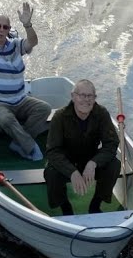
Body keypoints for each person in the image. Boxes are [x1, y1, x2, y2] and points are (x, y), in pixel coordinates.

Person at [0, 1, 52, 162]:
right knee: (5, 119)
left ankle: (18, 143)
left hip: (19, 100)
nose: (1, 30)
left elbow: (32, 42)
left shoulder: (15, 45)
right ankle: (30, 147)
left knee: (44, 109)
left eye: (5, 27)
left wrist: (27, 25)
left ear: (8, 30)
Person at [44, 79, 121, 215]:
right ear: (73, 97)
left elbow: (111, 143)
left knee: (114, 165)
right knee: (51, 172)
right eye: (81, 95)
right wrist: (72, 171)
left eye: (90, 96)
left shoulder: (101, 113)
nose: (86, 100)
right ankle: (65, 208)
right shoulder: (60, 116)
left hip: (91, 159)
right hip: (67, 161)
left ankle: (95, 205)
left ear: (95, 98)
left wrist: (93, 163)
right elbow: (53, 151)